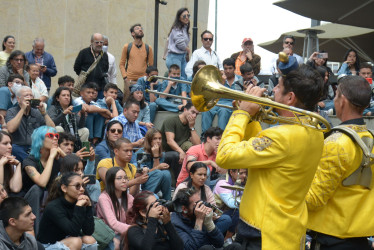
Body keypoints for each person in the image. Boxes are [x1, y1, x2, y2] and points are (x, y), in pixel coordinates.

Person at [216, 63, 325, 249]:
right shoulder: (314, 131)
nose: (272, 89)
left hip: (264, 233)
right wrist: (251, 118)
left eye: (278, 86)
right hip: (286, 228)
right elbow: (261, 149)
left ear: (290, 97)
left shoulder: (281, 136)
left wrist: (242, 113)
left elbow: (224, 156)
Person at [306, 76, 374, 250]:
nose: (334, 101)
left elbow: (313, 200)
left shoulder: (336, 143)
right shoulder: (371, 139)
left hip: (332, 240)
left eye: (335, 96)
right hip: (360, 240)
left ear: (342, 100)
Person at [22, 126, 64, 235]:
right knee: (37, 189)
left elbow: (74, 171)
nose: (55, 138)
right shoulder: (29, 161)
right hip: (28, 201)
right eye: (50, 136)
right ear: (39, 140)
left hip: (49, 197)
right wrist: (51, 157)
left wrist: (63, 155)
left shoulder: (56, 160)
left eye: (56, 136)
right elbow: (42, 182)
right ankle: (36, 235)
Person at [38, 172, 97, 249]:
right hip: (48, 245)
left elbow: (88, 232)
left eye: (83, 185)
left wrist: (89, 207)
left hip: (69, 240)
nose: (82, 189)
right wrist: (78, 207)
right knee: (76, 241)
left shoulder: (78, 202)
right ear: (64, 188)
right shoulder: (53, 207)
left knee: (89, 240)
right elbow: (73, 232)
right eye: (77, 186)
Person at [5, 86, 55, 162]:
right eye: (26, 95)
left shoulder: (36, 112)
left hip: (34, 147)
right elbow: (11, 129)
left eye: (31, 95)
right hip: (18, 146)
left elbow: (52, 129)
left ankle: (31, 163)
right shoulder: (11, 111)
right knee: (14, 148)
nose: (29, 97)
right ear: (18, 99)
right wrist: (22, 109)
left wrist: (44, 113)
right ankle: (30, 163)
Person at [201, 58, 242, 134]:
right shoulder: (218, 78)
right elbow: (213, 94)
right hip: (218, 101)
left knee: (224, 111)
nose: (228, 71)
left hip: (231, 103)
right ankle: (205, 136)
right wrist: (221, 83)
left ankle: (221, 137)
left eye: (230, 68)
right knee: (206, 110)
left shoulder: (240, 79)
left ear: (234, 68)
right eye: (225, 69)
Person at [97, 167, 134, 249]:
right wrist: (134, 230)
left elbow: (134, 217)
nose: (124, 181)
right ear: (111, 181)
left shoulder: (129, 197)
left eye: (125, 178)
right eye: (119, 178)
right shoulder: (104, 198)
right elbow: (113, 223)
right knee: (116, 245)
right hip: (108, 234)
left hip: (125, 232)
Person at [135, 128, 172, 200]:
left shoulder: (161, 153)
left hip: (156, 181)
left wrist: (156, 155)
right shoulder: (140, 153)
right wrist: (156, 157)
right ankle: (146, 199)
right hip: (142, 183)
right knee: (158, 172)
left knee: (166, 173)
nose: (158, 141)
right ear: (149, 140)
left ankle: (167, 201)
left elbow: (158, 172)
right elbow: (144, 173)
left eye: (160, 138)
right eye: (155, 139)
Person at [120, 24, 154, 101]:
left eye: (141, 28)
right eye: (137, 28)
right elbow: (121, 64)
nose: (140, 29)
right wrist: (125, 78)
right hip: (130, 80)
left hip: (143, 81)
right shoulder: (127, 47)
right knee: (127, 102)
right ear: (132, 33)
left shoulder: (148, 48)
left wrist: (147, 79)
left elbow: (151, 66)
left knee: (143, 102)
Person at [214, 169, 247, 241]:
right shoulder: (222, 183)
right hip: (218, 214)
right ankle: (228, 238)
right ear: (231, 172)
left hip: (231, 212)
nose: (244, 176)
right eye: (241, 173)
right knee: (236, 211)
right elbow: (232, 204)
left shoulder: (243, 182)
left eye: (245, 173)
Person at [73, 33, 109, 97]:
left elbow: (106, 69)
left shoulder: (105, 55)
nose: (99, 44)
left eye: (101, 42)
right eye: (97, 42)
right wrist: (85, 76)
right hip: (86, 87)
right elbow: (76, 67)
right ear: (91, 42)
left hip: (99, 89)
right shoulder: (84, 52)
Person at [166, 7, 191, 80]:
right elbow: (180, 43)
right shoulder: (177, 28)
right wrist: (187, 49)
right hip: (174, 57)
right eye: (184, 16)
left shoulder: (184, 28)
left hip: (181, 57)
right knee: (176, 79)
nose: (186, 17)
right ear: (179, 18)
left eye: (188, 15)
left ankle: (183, 92)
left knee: (184, 78)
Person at [0, 130, 22, 195]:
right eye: (5, 143)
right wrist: (0, 164)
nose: (10, 146)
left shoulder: (11, 161)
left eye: (10, 143)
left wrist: (18, 165)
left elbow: (15, 189)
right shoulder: (2, 162)